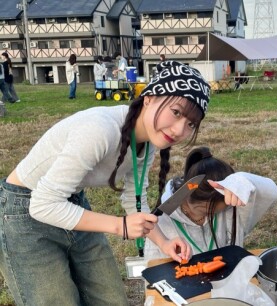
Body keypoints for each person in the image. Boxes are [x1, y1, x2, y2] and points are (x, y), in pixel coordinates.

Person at [0, 60, 211, 305]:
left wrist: (164, 243)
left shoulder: (148, 142)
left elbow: (136, 200)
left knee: (112, 300)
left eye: (191, 124)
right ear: (149, 97)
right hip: (23, 210)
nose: (178, 130)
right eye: (176, 112)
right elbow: (42, 205)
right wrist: (120, 225)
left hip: (70, 201)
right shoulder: (100, 130)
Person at [144, 146, 277, 259]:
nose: (229, 207)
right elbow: (152, 268)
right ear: (201, 203)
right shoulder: (162, 223)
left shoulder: (231, 206)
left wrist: (240, 180)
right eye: (219, 209)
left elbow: (272, 192)